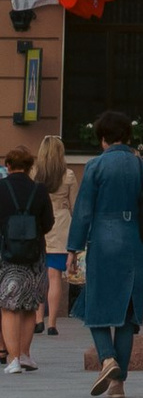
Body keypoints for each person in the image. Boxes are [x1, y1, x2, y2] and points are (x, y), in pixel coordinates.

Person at [65, 111, 143, 396]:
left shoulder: (96, 166)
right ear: (128, 137)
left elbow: (82, 212)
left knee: (95, 306)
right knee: (128, 315)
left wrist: (73, 249)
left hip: (105, 241)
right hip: (138, 243)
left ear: (102, 139)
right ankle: (118, 384)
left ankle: (107, 359)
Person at [0, 152, 50, 375]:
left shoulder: (1, 188)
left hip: (6, 254)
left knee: (9, 307)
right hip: (34, 254)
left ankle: (13, 359)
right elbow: (48, 222)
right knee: (30, 304)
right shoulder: (39, 190)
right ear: (30, 167)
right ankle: (26, 354)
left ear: (8, 165)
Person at [31, 138, 69, 344]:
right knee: (55, 276)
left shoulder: (34, 174)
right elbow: (75, 203)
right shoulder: (68, 175)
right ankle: (53, 323)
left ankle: (38, 318)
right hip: (61, 227)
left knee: (39, 274)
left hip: (39, 227)